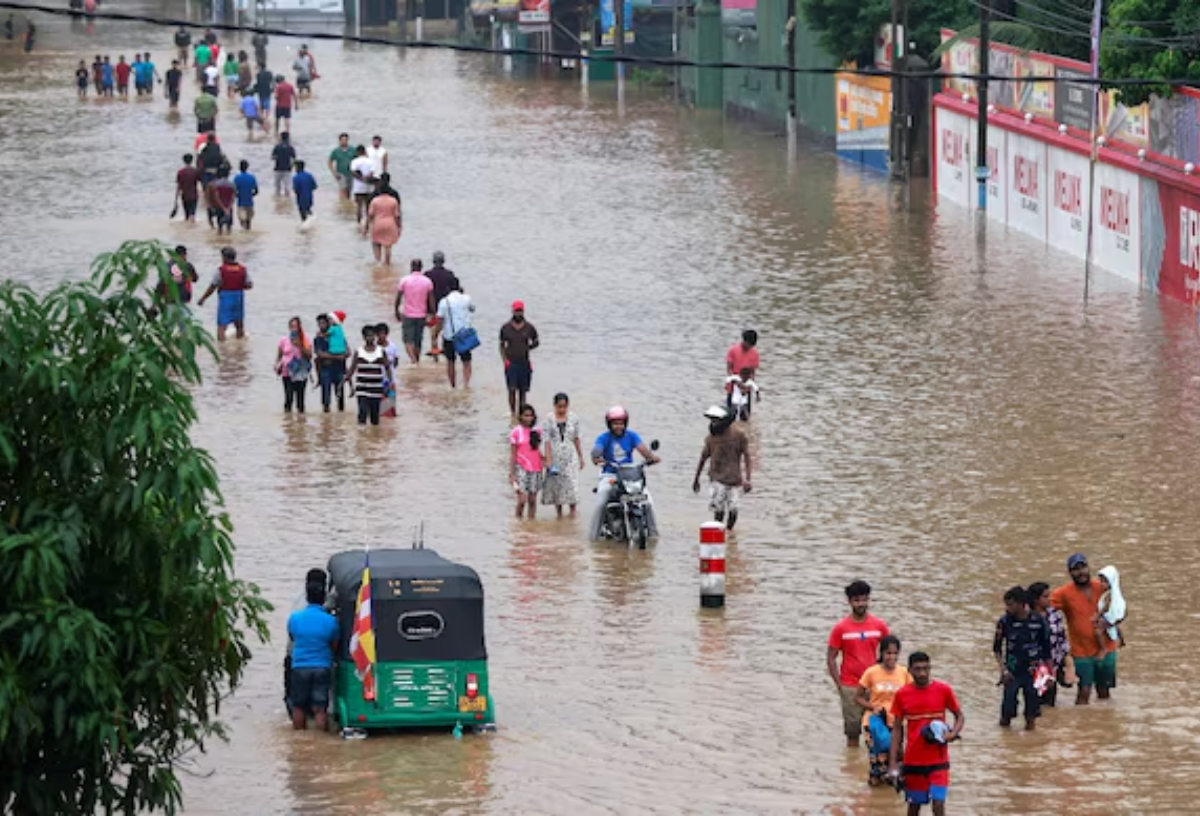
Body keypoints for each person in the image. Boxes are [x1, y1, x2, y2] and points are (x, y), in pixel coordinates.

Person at [888, 653, 964, 816]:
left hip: (939, 760)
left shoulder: (943, 690)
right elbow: (897, 729)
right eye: (917, 669)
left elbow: (959, 716)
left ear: (930, 669)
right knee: (914, 807)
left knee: (938, 805)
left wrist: (953, 733)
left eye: (925, 669)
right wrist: (893, 762)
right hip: (913, 760)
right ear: (909, 671)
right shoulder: (902, 695)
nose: (922, 673)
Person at [827, 580, 890, 748]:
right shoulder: (840, 628)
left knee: (878, 731)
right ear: (849, 602)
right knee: (853, 733)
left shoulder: (879, 626)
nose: (861, 604)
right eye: (857, 600)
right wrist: (839, 685)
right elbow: (831, 657)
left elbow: (889, 651)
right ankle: (852, 767)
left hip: (875, 687)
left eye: (864, 600)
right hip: (850, 686)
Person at [1051, 553, 1118, 705]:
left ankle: (1102, 723)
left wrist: (1112, 623)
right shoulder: (1063, 593)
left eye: (1083, 567)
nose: (1081, 572)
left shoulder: (1102, 587)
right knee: (1084, 692)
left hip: (1107, 648)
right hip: (1081, 652)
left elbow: (1120, 609)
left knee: (1104, 691)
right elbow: (1044, 608)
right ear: (1070, 573)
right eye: (1076, 569)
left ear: (1088, 568)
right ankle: (1080, 725)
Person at [587, 406, 661, 540]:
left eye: (621, 423)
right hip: (610, 475)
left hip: (629, 474)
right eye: (615, 423)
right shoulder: (604, 438)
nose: (618, 426)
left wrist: (651, 458)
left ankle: (653, 534)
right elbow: (597, 449)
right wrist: (596, 456)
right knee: (601, 502)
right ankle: (593, 537)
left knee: (648, 501)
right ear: (609, 424)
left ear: (625, 423)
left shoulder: (632, 436)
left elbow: (642, 449)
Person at [855, 635, 911, 786]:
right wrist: (872, 706)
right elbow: (858, 697)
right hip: (874, 723)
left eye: (895, 654)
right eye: (888, 653)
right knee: (878, 765)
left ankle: (888, 802)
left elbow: (912, 695)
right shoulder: (871, 672)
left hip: (896, 723)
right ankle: (874, 801)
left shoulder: (904, 673)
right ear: (881, 653)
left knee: (895, 764)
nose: (891, 657)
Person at [993, 586, 1051, 730]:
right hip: (1012, 672)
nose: (1007, 608)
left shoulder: (1039, 621)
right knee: (1006, 711)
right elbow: (997, 649)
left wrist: (1049, 675)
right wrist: (1003, 670)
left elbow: (1047, 650)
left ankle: (1030, 747)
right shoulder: (1004, 622)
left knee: (1032, 714)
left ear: (1021, 603)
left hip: (1034, 672)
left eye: (1010, 604)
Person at [286, 579, 339, 731]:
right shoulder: (331, 621)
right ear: (323, 599)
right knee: (320, 708)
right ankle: (321, 739)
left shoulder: (294, 618)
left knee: (298, 706)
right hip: (322, 666)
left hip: (299, 666)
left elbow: (293, 638)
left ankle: (299, 740)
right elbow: (334, 645)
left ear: (307, 597)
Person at [692, 405, 752, 530]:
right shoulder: (711, 439)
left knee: (734, 509)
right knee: (718, 510)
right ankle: (720, 534)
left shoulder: (739, 436)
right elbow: (703, 458)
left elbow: (747, 456)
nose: (713, 424)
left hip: (735, 479)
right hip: (717, 478)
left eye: (716, 421)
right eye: (712, 421)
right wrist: (696, 479)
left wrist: (748, 479)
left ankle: (729, 532)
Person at [1027, 581, 1071, 708]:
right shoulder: (1027, 617)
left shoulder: (1054, 614)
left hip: (1053, 665)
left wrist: (1066, 662)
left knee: (1050, 702)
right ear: (1036, 600)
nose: (1049, 599)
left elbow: (1062, 638)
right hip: (1035, 667)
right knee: (1035, 702)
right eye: (1045, 597)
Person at [196, 247, 253, 341]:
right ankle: (240, 347)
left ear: (224, 258)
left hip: (225, 297)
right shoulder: (243, 269)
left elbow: (213, 286)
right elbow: (249, 285)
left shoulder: (221, 270)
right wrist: (237, 286)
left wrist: (203, 298)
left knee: (222, 326)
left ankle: (221, 349)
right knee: (239, 324)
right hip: (238, 297)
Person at [542, 393, 583, 518]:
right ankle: (559, 513)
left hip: (570, 455)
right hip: (555, 454)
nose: (562, 409)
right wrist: (548, 459)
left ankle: (573, 511)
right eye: (559, 406)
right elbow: (547, 441)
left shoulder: (574, 418)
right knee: (557, 484)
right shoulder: (548, 419)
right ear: (554, 406)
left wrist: (581, 457)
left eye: (564, 406)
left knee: (571, 483)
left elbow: (576, 438)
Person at [344, 325, 393, 426]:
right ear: (364, 337)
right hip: (362, 388)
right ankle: (362, 437)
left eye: (372, 336)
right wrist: (344, 381)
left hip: (376, 388)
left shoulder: (380, 351)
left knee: (374, 417)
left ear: (374, 337)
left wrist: (389, 383)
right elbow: (352, 368)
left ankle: (373, 438)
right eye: (367, 336)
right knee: (362, 413)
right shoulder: (359, 351)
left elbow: (387, 368)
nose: (370, 338)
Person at [499, 302, 539, 415]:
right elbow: (501, 345)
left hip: (524, 363)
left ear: (523, 311)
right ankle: (512, 413)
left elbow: (536, 342)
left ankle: (521, 414)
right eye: (516, 311)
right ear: (512, 311)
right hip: (511, 363)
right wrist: (504, 360)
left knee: (523, 391)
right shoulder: (506, 328)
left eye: (520, 311)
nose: (518, 313)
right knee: (511, 390)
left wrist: (527, 348)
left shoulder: (529, 327)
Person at [393, 260, 433, 364]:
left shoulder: (405, 280)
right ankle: (416, 360)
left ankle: (413, 360)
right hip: (421, 315)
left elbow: (398, 298)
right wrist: (432, 315)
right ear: (421, 267)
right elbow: (431, 300)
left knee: (407, 340)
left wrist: (396, 311)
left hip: (408, 314)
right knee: (418, 340)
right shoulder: (427, 281)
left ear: (411, 267)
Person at [436, 281, 475, 388]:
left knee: (450, 362)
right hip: (464, 334)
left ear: (448, 288)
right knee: (466, 361)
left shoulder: (444, 302)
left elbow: (439, 320)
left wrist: (435, 335)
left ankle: (453, 386)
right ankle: (466, 385)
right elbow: (472, 309)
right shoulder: (466, 298)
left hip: (449, 335)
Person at [509, 405, 545, 518]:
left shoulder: (537, 431)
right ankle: (518, 521)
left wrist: (546, 461)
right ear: (520, 416)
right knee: (522, 500)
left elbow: (540, 449)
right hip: (521, 469)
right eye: (526, 415)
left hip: (536, 468)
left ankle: (530, 524)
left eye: (531, 415)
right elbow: (513, 455)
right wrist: (512, 473)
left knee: (532, 500)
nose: (529, 418)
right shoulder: (515, 432)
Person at [275, 317, 313, 413]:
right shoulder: (284, 340)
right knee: (288, 398)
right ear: (289, 327)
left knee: (300, 400)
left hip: (301, 372)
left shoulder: (305, 340)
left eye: (296, 326)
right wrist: (277, 365)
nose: (294, 329)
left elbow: (309, 356)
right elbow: (279, 356)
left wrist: (299, 345)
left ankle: (301, 423)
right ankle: (288, 422)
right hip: (287, 372)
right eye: (292, 326)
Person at [425, 250, 459, 357]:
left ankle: (435, 355)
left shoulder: (427, 275)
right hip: (447, 308)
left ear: (433, 261)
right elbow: (456, 290)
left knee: (433, 334)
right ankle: (447, 354)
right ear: (443, 261)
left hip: (432, 309)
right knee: (447, 331)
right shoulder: (449, 275)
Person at [313, 312, 348, 413]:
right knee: (326, 399)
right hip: (325, 370)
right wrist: (338, 357)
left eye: (323, 323)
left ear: (329, 323)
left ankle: (340, 420)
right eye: (319, 324)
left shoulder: (338, 335)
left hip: (339, 369)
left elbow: (348, 351)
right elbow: (320, 354)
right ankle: (326, 422)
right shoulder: (318, 339)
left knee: (340, 398)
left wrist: (340, 356)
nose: (321, 325)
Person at [364, 176, 401, 264]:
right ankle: (387, 264)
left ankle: (378, 262)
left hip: (378, 224)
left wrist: (366, 227)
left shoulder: (375, 201)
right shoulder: (393, 201)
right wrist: (399, 227)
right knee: (388, 246)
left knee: (376, 243)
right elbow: (397, 215)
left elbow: (370, 215)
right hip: (390, 224)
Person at [1096, 565, 1127, 650]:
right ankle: (1122, 640)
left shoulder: (1109, 595)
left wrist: (1097, 616)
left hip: (1109, 618)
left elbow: (1105, 608)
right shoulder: (1115, 593)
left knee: (1098, 632)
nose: (1102, 584)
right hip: (1115, 618)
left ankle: (1103, 649)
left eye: (1105, 582)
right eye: (1101, 581)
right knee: (1117, 627)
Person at [374, 322, 400, 418]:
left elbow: (396, 362)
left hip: (391, 380)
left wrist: (390, 369)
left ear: (387, 334)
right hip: (378, 380)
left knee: (391, 403)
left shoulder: (392, 346)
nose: (381, 336)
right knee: (380, 405)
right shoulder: (374, 348)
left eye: (383, 333)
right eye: (379, 334)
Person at [350, 145, 375, 223]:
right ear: (365, 151)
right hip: (368, 187)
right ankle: (368, 223)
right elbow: (372, 173)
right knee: (368, 206)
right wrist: (366, 178)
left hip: (358, 187)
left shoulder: (354, 161)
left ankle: (358, 223)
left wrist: (361, 179)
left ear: (357, 152)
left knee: (359, 206)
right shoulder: (370, 161)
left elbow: (353, 172)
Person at [174, 154, 202, 222]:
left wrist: (176, 199)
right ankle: (192, 229)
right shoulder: (195, 171)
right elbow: (200, 182)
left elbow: (178, 186)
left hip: (185, 195)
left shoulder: (180, 172)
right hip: (194, 195)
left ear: (184, 161)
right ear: (192, 161)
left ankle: (187, 229)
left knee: (186, 215)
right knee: (192, 214)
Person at [209, 167, 236, 236]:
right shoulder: (232, 184)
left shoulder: (216, 184)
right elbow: (233, 198)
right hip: (228, 207)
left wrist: (222, 207)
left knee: (219, 227)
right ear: (228, 174)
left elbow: (216, 197)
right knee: (229, 227)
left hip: (219, 207)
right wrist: (228, 208)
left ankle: (220, 241)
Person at [233, 160, 259, 230]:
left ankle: (244, 234)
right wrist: (250, 195)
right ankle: (248, 233)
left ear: (239, 168)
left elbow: (234, 191)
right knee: (249, 221)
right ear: (247, 167)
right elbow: (256, 191)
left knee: (242, 220)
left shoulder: (237, 178)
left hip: (241, 203)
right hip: (250, 202)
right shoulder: (252, 177)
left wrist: (238, 196)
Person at [328, 133, 355, 200]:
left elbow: (358, 160)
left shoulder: (352, 149)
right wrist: (334, 173)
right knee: (343, 189)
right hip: (340, 173)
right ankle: (342, 203)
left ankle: (348, 204)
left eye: (345, 140)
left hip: (351, 173)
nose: (344, 141)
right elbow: (330, 162)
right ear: (339, 141)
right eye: (342, 140)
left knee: (349, 190)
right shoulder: (336, 151)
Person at [271, 132, 296, 196]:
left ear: (281, 138)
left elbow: (273, 157)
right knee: (287, 187)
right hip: (287, 169)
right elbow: (294, 159)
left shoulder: (277, 147)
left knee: (277, 188)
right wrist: (292, 166)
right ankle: (287, 202)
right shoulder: (290, 147)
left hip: (277, 168)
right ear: (288, 138)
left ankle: (278, 202)